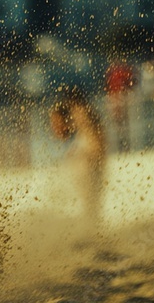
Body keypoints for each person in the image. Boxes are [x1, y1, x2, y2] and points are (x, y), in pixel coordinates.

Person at [49, 87, 107, 223]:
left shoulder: (81, 112)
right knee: (91, 203)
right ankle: (91, 227)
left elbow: (97, 144)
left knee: (90, 203)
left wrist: (86, 155)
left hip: (90, 161)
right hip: (92, 160)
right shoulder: (85, 115)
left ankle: (90, 228)